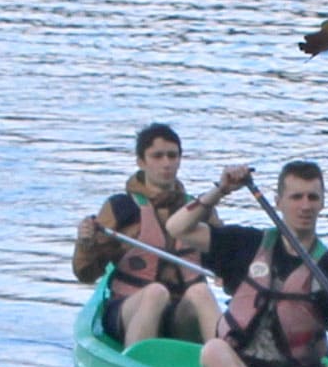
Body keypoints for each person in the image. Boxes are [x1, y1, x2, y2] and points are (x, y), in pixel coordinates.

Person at [199, 158, 328, 367]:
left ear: (322, 204)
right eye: (296, 197)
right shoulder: (247, 244)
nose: (305, 206)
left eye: (312, 197)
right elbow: (178, 228)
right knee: (212, 351)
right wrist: (221, 189)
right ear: (278, 202)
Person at [70, 124, 252, 349]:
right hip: (128, 310)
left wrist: (230, 276)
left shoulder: (197, 210)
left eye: (172, 156)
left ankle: (228, 364)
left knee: (201, 291)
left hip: (179, 317)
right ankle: (135, 366)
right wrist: (86, 244)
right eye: (157, 156)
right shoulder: (120, 208)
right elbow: (86, 274)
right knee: (156, 293)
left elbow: (226, 260)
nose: (166, 163)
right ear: (141, 162)